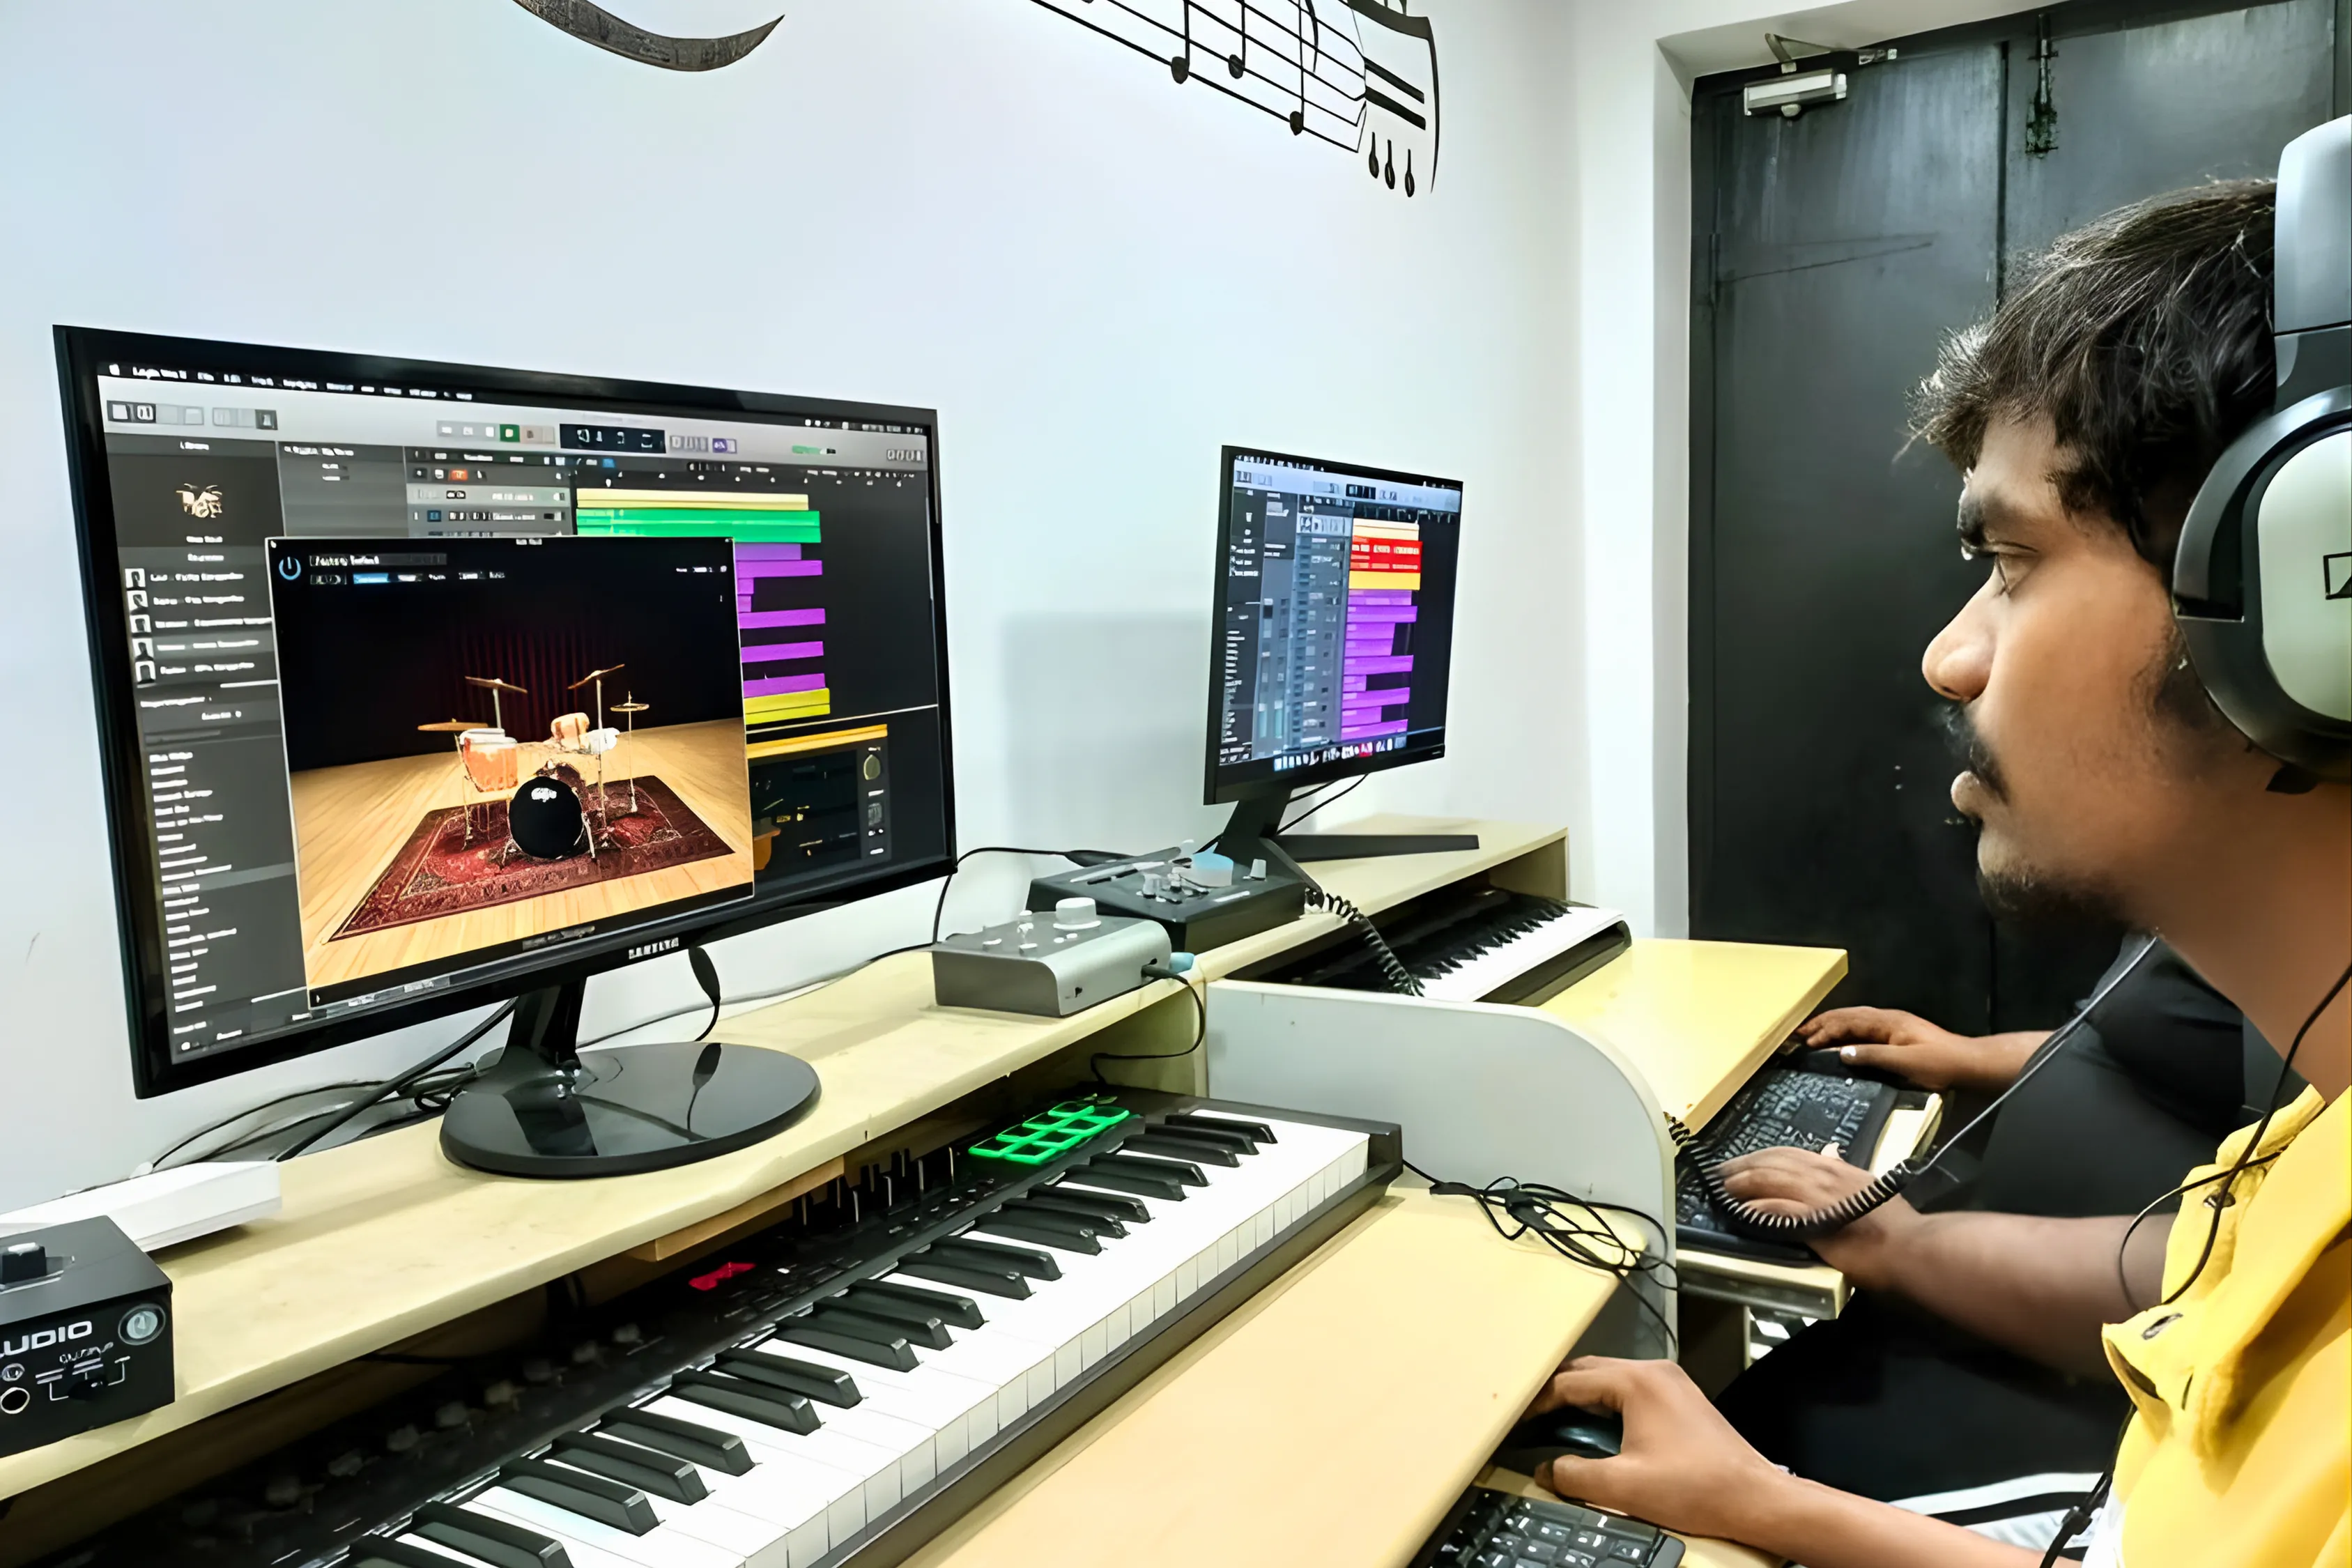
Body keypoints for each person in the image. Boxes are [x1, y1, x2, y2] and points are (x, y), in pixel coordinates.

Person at [1528, 179, 2350, 1568]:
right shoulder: (2316, 1126)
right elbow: (2189, 1292)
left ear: (2312, 608)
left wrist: (1763, 1509)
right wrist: (1895, 1247)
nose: (1950, 657)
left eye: (2011, 563)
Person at [1714, 936, 2273, 1532]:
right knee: (1740, 1405)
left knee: (1732, 1475)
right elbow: (2157, 1049)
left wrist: (1899, 1243)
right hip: (1978, 1308)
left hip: (2104, 1407)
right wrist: (1968, 1055)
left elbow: (2217, 1276)